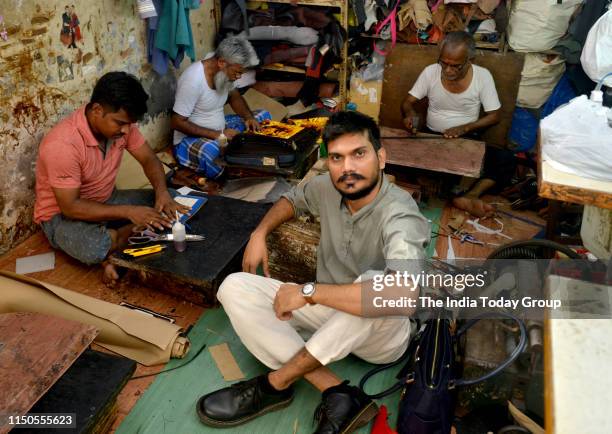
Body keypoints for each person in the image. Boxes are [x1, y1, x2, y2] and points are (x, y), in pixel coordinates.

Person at [196, 111, 430, 433]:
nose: (347, 168)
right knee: (234, 286)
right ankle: (337, 392)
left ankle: (274, 384)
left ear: (381, 157)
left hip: (382, 336)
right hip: (329, 312)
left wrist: (308, 292)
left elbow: (401, 296)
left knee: (373, 287)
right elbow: (291, 200)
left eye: (358, 154)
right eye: (337, 158)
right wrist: (259, 234)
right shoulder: (327, 188)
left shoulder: (401, 213)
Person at [34, 71, 189, 285]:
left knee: (170, 200)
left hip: (107, 199)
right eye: (120, 123)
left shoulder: (123, 127)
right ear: (97, 110)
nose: (126, 130)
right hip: (61, 216)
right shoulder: (62, 145)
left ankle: (119, 239)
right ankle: (121, 238)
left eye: (130, 124)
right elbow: (70, 207)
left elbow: (149, 160)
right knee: (94, 247)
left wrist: (162, 194)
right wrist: (129, 212)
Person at [401, 31, 515, 217]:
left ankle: (470, 195)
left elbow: (495, 116)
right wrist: (410, 114)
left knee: (506, 160)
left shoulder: (482, 77)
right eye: (444, 63)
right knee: (392, 152)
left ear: (471, 60)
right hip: (432, 137)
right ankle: (447, 187)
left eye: (455, 66)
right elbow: (407, 102)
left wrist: (465, 128)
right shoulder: (431, 72)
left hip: (466, 139)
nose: (447, 70)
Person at [171, 36, 271, 179]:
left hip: (222, 128)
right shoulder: (193, 80)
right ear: (222, 62)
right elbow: (176, 122)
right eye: (237, 72)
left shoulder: (224, 73)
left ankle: (241, 156)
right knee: (214, 154)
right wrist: (216, 135)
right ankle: (234, 173)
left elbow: (234, 96)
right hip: (191, 139)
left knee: (263, 117)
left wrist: (248, 118)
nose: (238, 77)